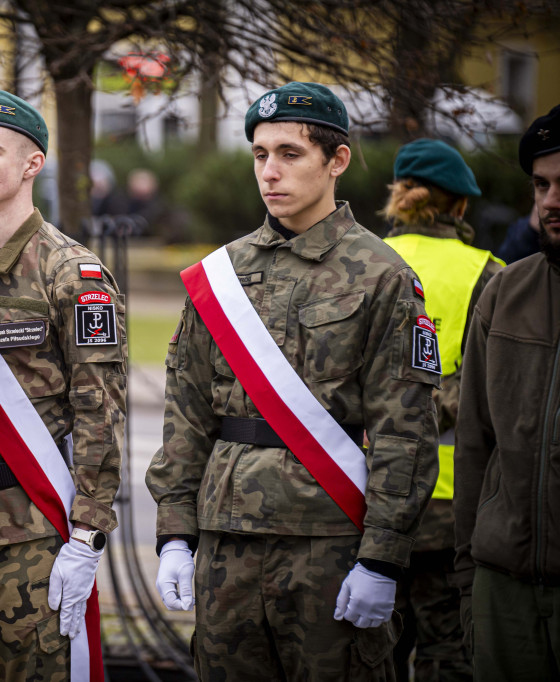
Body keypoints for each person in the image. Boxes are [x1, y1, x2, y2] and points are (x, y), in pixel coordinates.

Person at [146, 82, 441, 680]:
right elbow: (186, 412)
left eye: (289, 153)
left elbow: (404, 428)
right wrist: (175, 532)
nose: (270, 171)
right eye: (260, 154)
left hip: (328, 544)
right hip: (225, 542)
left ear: (337, 160)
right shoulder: (222, 275)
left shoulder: (382, 276)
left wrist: (382, 558)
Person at [0, 90, 127, 680]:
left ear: (31, 164)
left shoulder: (72, 273)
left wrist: (87, 533)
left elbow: (99, 409)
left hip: (35, 530)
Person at [381, 138, 503, 681]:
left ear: (398, 196)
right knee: (448, 647)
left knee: (372, 648)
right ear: (460, 206)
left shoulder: (360, 261)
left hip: (367, 492)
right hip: (452, 500)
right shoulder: (492, 274)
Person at [454, 103, 560, 681]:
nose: (550, 201)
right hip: (504, 588)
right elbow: (475, 439)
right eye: (541, 185)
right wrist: (470, 579)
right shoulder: (505, 292)